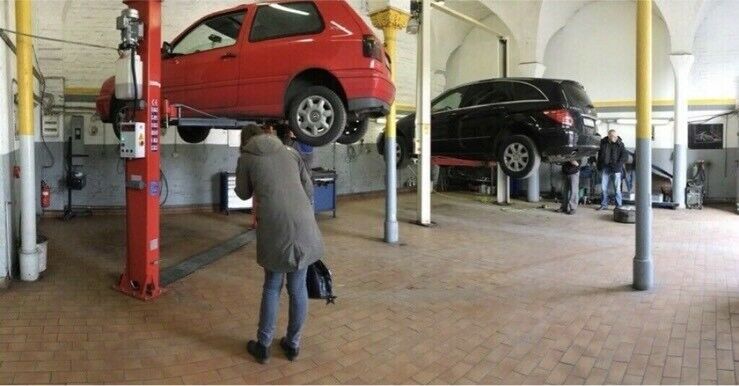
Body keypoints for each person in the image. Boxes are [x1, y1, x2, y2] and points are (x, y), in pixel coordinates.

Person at [235, 125, 324, 364]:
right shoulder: (290, 151)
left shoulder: (246, 157)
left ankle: (263, 346)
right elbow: (308, 187)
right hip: (304, 224)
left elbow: (242, 193)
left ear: (245, 140)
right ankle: (292, 344)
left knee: (273, 286)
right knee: (298, 288)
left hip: (274, 227)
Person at [597, 129, 628, 210]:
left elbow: (625, 156)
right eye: (612, 136)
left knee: (617, 188)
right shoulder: (603, 143)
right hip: (605, 167)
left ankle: (618, 206)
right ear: (608, 136)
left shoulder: (620, 144)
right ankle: (604, 205)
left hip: (616, 169)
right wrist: (598, 165)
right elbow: (599, 155)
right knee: (603, 188)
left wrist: (618, 165)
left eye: (615, 136)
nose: (615, 138)